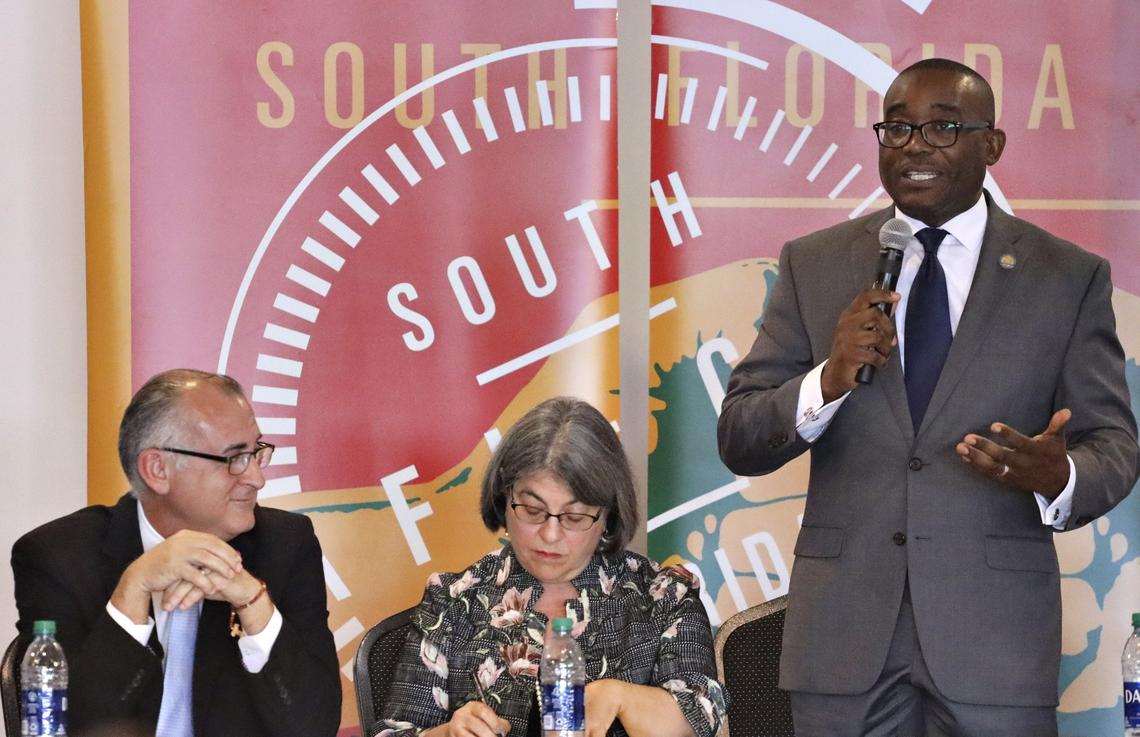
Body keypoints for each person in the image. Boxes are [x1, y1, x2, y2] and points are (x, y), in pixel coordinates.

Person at [717, 58, 1139, 737]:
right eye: (897, 129)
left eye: (943, 127)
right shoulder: (815, 263)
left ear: (991, 145)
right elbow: (739, 433)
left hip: (993, 645)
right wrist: (827, 378)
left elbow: (1115, 446)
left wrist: (1055, 475)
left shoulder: (1065, 276)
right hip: (844, 644)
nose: (914, 145)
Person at [11, 369, 341, 737]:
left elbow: (315, 726)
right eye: (234, 458)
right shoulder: (58, 557)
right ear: (157, 469)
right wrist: (131, 592)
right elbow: (59, 728)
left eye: (255, 453)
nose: (256, 478)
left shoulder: (284, 544)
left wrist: (253, 603)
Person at [376, 397, 726, 737]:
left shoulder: (663, 596)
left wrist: (622, 697)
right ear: (504, 499)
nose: (550, 533)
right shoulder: (455, 600)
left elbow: (701, 714)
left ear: (608, 515)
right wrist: (448, 733)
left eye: (574, 516)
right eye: (531, 510)